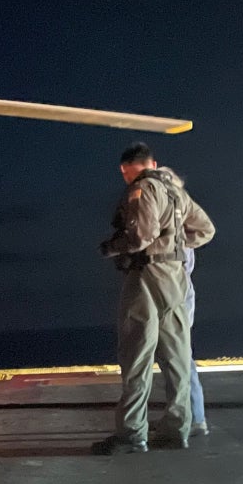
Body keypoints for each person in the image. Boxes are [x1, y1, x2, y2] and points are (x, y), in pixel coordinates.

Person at [93, 143, 215, 454]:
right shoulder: (175, 191)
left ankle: (133, 433)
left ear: (127, 169)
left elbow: (140, 237)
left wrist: (110, 248)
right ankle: (178, 429)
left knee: (137, 352)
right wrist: (173, 244)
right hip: (176, 278)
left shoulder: (142, 189)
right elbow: (205, 230)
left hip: (147, 276)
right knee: (176, 354)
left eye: (124, 173)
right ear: (153, 162)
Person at [156, 167, 209, 437]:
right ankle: (189, 415)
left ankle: (194, 418)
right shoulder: (181, 221)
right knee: (177, 358)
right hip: (179, 293)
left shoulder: (175, 224)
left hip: (176, 295)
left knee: (179, 359)